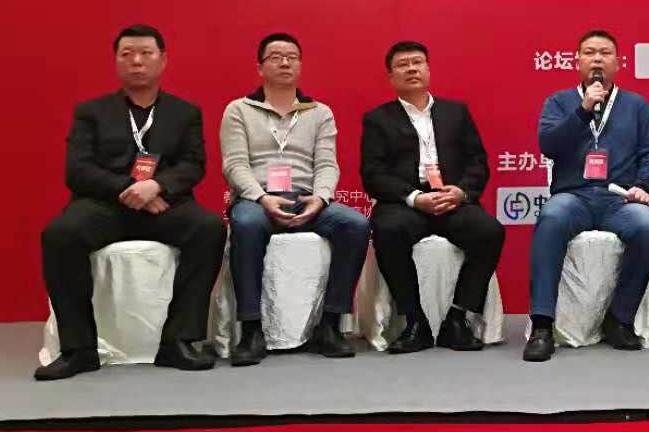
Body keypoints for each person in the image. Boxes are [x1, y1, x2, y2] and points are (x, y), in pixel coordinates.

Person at [37, 25, 226, 381]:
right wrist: (130, 189)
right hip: (104, 205)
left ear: (163, 60)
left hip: (164, 204)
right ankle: (79, 349)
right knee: (59, 235)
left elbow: (193, 164)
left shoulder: (184, 112)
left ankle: (179, 340)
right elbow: (77, 169)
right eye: (127, 54)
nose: (136, 61)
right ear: (116, 61)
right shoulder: (91, 112)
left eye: (145, 53)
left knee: (209, 228)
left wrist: (157, 186)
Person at [221, 32, 370, 365]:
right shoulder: (239, 110)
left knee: (355, 224)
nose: (285, 62)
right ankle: (251, 329)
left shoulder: (319, 112)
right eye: (275, 57)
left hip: (306, 198)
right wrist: (261, 197)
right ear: (260, 67)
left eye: (292, 57)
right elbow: (234, 164)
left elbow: (327, 164)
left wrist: (320, 198)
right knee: (246, 224)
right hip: (257, 200)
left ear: (300, 65)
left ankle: (330, 324)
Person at [523, 30, 649, 362]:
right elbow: (549, 145)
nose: (597, 59)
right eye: (589, 52)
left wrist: (643, 186)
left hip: (619, 198)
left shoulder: (636, 105)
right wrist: (583, 110)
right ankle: (542, 325)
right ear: (577, 61)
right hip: (574, 196)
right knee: (551, 218)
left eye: (605, 53)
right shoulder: (559, 101)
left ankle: (620, 318)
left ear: (618, 62)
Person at [361, 40, 504, 353]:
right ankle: (415, 322)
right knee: (387, 230)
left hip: (451, 199)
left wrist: (461, 192)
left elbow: (477, 161)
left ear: (428, 69)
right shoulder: (378, 119)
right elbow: (373, 174)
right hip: (406, 203)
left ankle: (458, 318)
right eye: (403, 65)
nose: (411, 69)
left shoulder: (456, 112)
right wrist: (414, 197)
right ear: (391, 77)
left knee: (489, 231)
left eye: (418, 62)